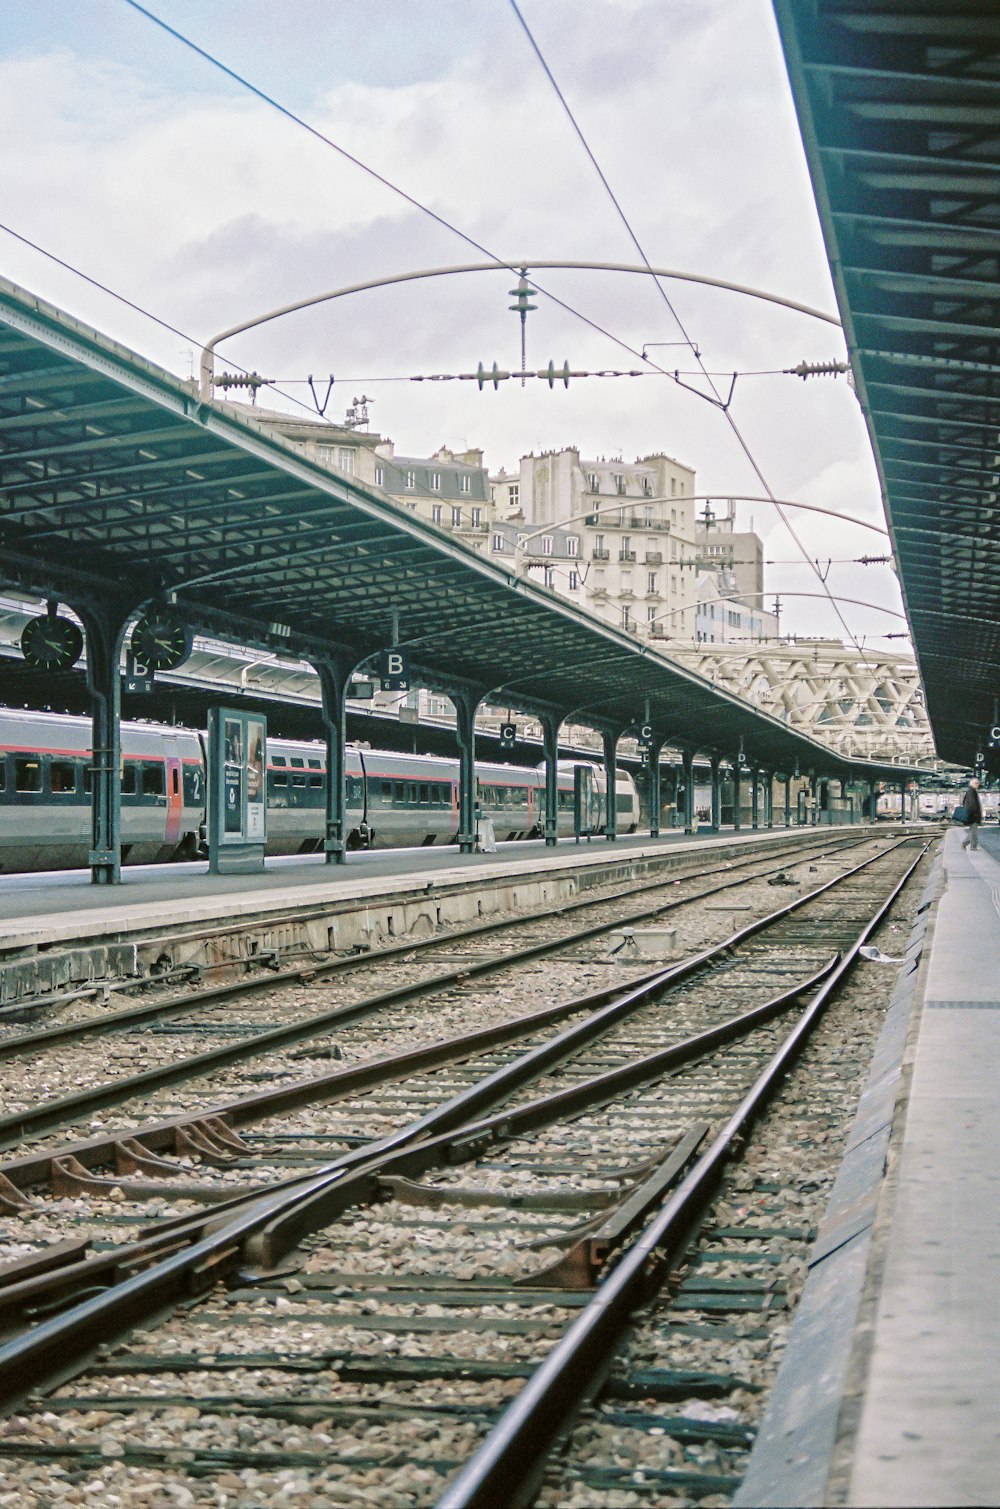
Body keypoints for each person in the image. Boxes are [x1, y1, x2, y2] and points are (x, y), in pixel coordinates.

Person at [961, 776, 983, 851]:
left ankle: (966, 844)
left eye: (978, 783)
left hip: (973, 815)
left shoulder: (972, 791)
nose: (978, 785)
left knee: (973, 832)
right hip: (973, 816)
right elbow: (972, 804)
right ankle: (972, 846)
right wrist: (975, 814)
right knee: (974, 833)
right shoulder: (971, 792)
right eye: (976, 783)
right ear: (972, 783)